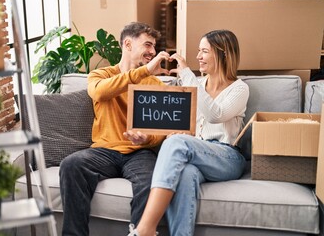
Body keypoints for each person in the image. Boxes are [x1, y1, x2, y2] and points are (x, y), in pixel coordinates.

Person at [127, 29, 250, 236]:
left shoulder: (239, 88)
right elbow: (187, 126)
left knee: (178, 144)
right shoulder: (198, 84)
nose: (198, 57)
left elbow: (214, 115)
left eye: (204, 51)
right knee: (185, 173)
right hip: (196, 156)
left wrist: (187, 74)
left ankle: (146, 228)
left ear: (223, 54)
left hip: (227, 157)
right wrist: (175, 134)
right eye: (198, 51)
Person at [59, 21, 171, 236]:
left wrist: (147, 138)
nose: (152, 51)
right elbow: (100, 93)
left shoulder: (154, 84)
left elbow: (161, 130)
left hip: (140, 153)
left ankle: (139, 233)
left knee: (151, 181)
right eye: (147, 45)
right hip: (104, 151)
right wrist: (144, 71)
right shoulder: (100, 75)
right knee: (71, 165)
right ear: (127, 44)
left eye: (154, 47)